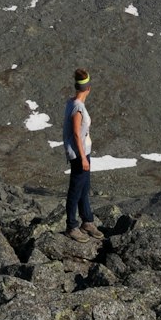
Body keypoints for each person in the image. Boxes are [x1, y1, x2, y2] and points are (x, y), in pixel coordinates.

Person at [63, 67, 99, 241]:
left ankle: (87, 221)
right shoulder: (77, 107)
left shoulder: (73, 102)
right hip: (79, 154)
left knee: (84, 188)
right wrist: (83, 157)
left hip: (84, 152)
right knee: (76, 189)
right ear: (88, 88)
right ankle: (71, 226)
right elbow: (77, 133)